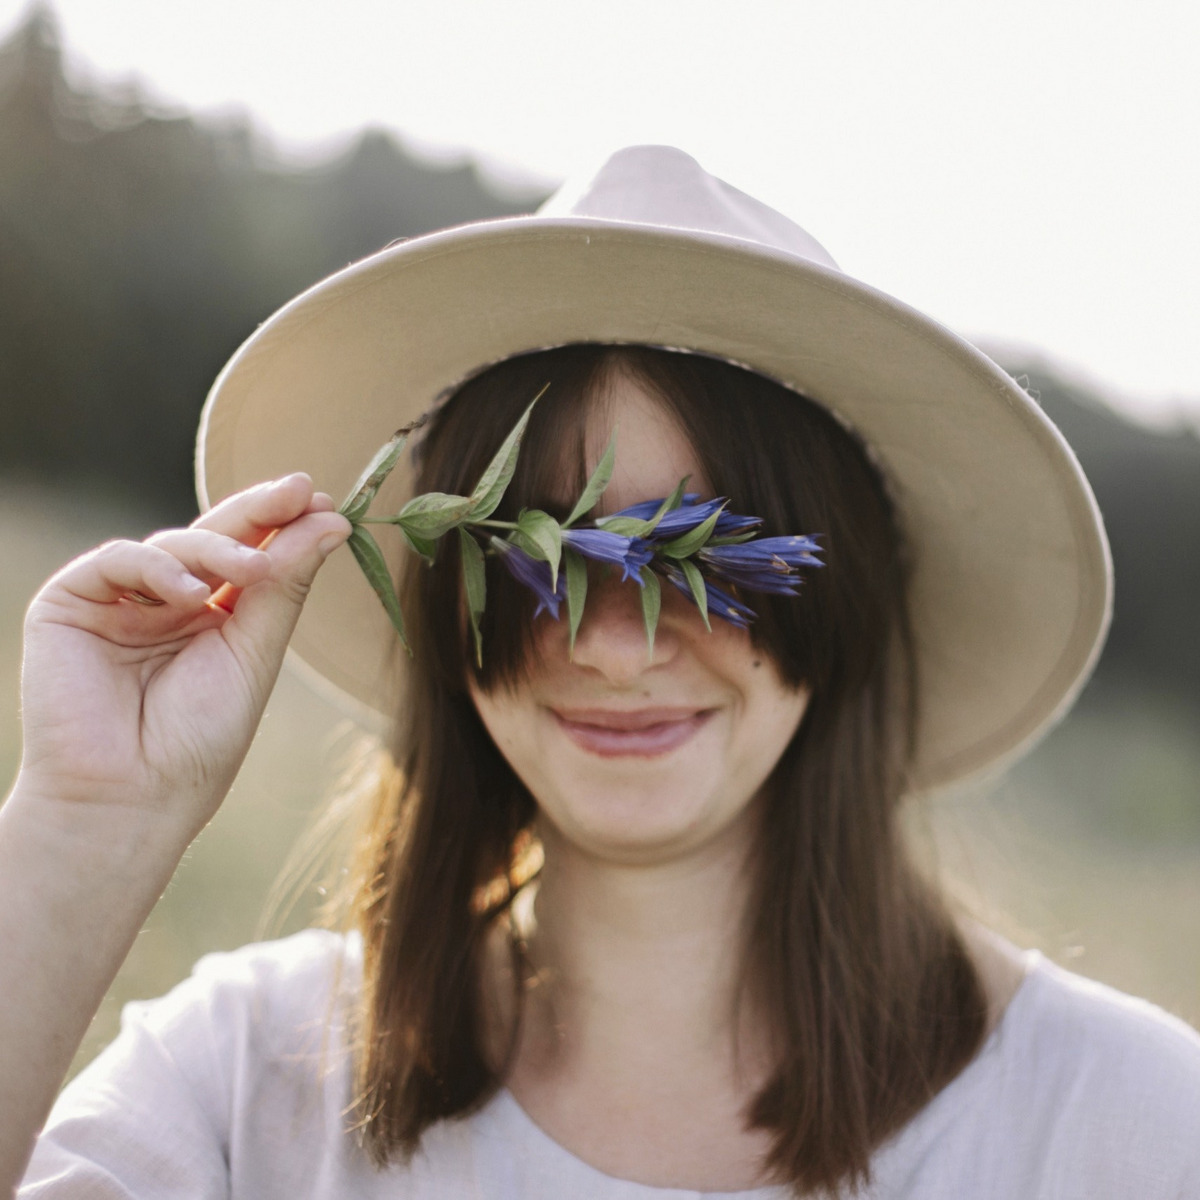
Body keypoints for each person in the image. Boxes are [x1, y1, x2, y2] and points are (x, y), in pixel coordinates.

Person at [4, 146, 1199, 1199]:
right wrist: (84, 825)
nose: (614, 646)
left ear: (843, 599)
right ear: (440, 604)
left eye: (707, 561)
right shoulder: (246, 1083)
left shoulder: (1130, 1129)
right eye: (537, 563)